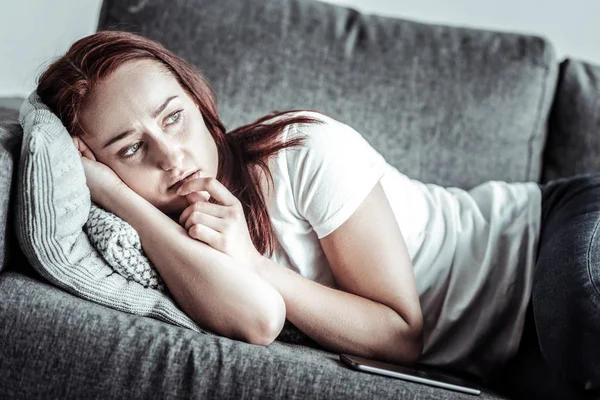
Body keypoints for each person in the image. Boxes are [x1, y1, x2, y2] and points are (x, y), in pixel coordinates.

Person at [35, 30, 599, 399]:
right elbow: (255, 320)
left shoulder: (302, 149)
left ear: (198, 99)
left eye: (174, 117)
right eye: (131, 150)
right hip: (504, 352)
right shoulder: (170, 232)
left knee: (578, 316)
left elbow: (401, 335)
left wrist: (251, 261)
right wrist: (116, 196)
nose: (171, 155)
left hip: (540, 235)